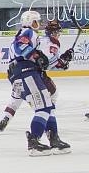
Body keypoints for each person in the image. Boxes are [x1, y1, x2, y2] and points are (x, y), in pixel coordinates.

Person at [7, 11, 70, 156]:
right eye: (36, 21)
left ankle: (54, 139)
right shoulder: (28, 32)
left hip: (26, 73)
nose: (39, 24)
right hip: (26, 72)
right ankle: (34, 142)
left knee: (47, 106)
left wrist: (63, 61)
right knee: (43, 108)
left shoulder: (32, 35)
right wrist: (37, 55)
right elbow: (20, 48)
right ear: (29, 22)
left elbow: (44, 63)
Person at [0, 19, 72, 135]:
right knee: (48, 102)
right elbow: (45, 64)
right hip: (31, 73)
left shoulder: (39, 38)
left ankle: (6, 117)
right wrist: (62, 61)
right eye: (56, 32)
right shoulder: (52, 43)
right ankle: (43, 135)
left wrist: (62, 62)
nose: (57, 34)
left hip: (16, 74)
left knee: (15, 99)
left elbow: (44, 61)